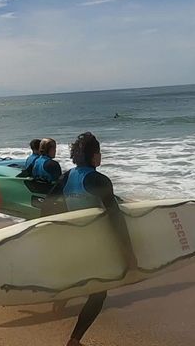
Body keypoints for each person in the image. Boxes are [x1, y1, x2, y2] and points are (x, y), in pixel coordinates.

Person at [42, 132, 137, 346]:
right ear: (94, 156)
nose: (100, 155)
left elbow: (47, 206)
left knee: (77, 278)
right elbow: (116, 219)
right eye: (99, 152)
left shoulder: (67, 176)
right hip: (92, 246)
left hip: (71, 242)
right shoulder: (99, 179)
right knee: (98, 294)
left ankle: (60, 302)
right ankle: (74, 341)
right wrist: (128, 252)